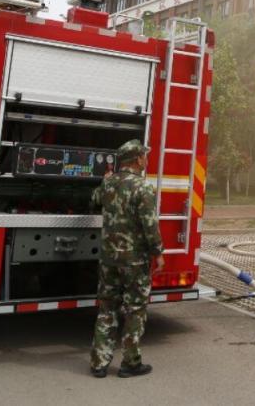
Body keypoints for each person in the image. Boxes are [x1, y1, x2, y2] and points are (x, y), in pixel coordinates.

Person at [89, 139, 164, 378]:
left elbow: (94, 201)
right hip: (134, 260)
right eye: (144, 156)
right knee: (135, 309)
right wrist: (158, 253)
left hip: (109, 259)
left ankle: (99, 363)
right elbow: (149, 225)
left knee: (107, 308)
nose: (146, 159)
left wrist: (105, 182)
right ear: (138, 159)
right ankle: (130, 363)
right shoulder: (143, 188)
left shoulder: (109, 183)